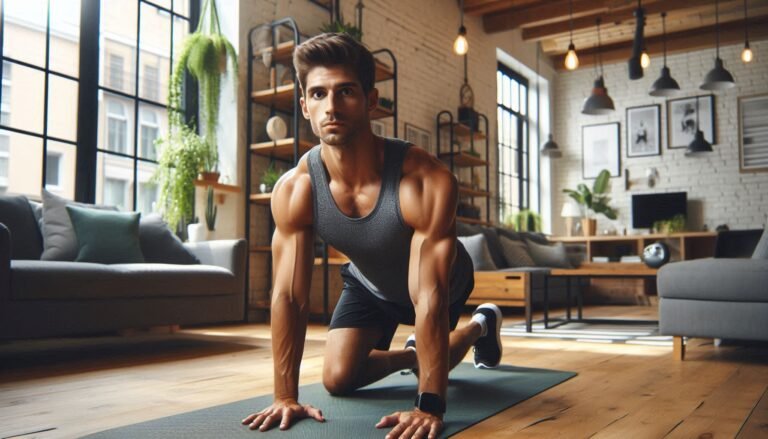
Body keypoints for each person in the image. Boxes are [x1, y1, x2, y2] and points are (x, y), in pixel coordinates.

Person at [241, 33, 503, 439]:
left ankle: (478, 327)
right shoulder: (296, 189)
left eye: (345, 91)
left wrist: (428, 405)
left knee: (437, 352)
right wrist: (284, 396)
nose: (331, 106)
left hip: (441, 282)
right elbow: (288, 296)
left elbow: (428, 297)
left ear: (371, 100)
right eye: (319, 93)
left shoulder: (424, 180)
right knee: (338, 379)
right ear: (305, 105)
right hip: (370, 281)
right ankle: (416, 353)